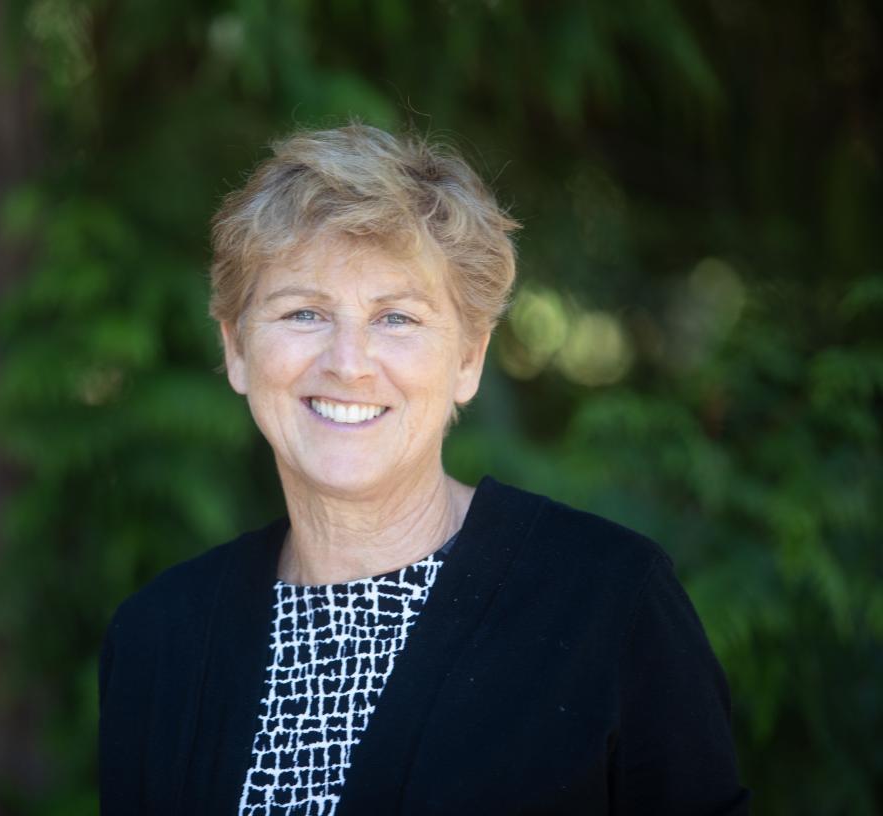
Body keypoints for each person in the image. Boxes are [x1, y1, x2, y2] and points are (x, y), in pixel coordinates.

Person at [98, 123, 749, 814]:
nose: (348, 362)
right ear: (235, 350)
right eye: (305, 312)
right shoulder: (158, 641)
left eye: (397, 319)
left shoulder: (611, 605)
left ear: (469, 357)